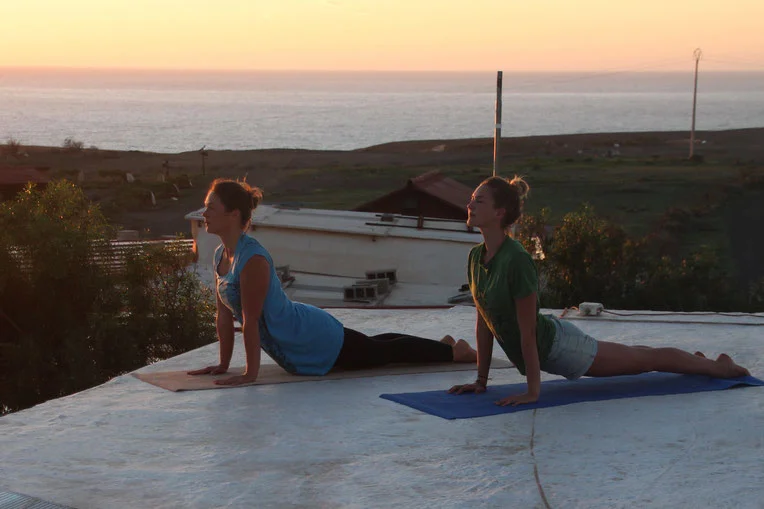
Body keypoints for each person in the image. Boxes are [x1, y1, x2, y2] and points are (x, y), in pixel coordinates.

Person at [448, 175, 750, 406]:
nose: (470, 205)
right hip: (553, 347)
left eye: (478, 201)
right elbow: (484, 322)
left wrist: (532, 392)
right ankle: (695, 361)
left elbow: (527, 333)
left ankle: (721, 369)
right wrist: (481, 381)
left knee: (646, 361)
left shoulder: (517, 260)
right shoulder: (476, 257)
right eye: (472, 199)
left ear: (499, 212)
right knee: (639, 355)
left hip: (562, 348)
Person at [188, 179, 477, 386]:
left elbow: (250, 321)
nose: (204, 214)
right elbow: (224, 315)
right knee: (376, 346)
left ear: (233, 214)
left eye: (211, 208)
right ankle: (441, 346)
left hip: (311, 337)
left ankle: (454, 352)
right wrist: (223, 364)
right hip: (296, 342)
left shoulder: (252, 260)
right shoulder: (221, 256)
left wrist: (249, 375)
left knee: (383, 352)